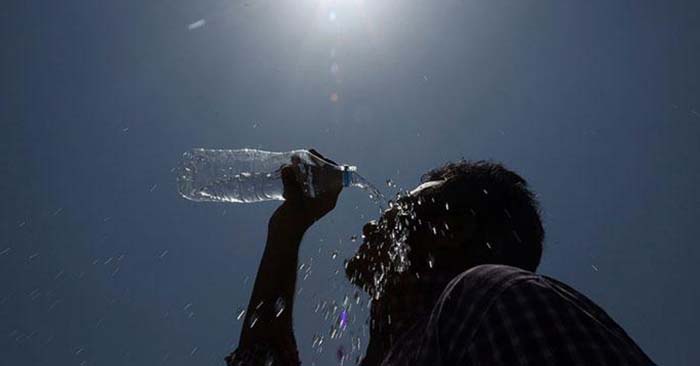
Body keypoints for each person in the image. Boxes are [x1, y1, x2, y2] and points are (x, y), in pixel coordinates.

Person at [226, 153, 655, 366]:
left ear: (453, 228)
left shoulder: (491, 300)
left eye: (399, 209)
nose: (371, 228)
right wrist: (287, 229)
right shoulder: (406, 350)